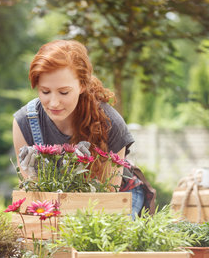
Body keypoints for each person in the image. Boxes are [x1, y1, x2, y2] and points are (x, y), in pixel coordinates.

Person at [13, 40, 155, 218]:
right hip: (57, 206)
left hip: (119, 198)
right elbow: (35, 196)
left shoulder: (110, 123)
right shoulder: (24, 122)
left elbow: (108, 200)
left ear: (82, 85)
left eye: (64, 92)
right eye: (45, 91)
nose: (54, 102)